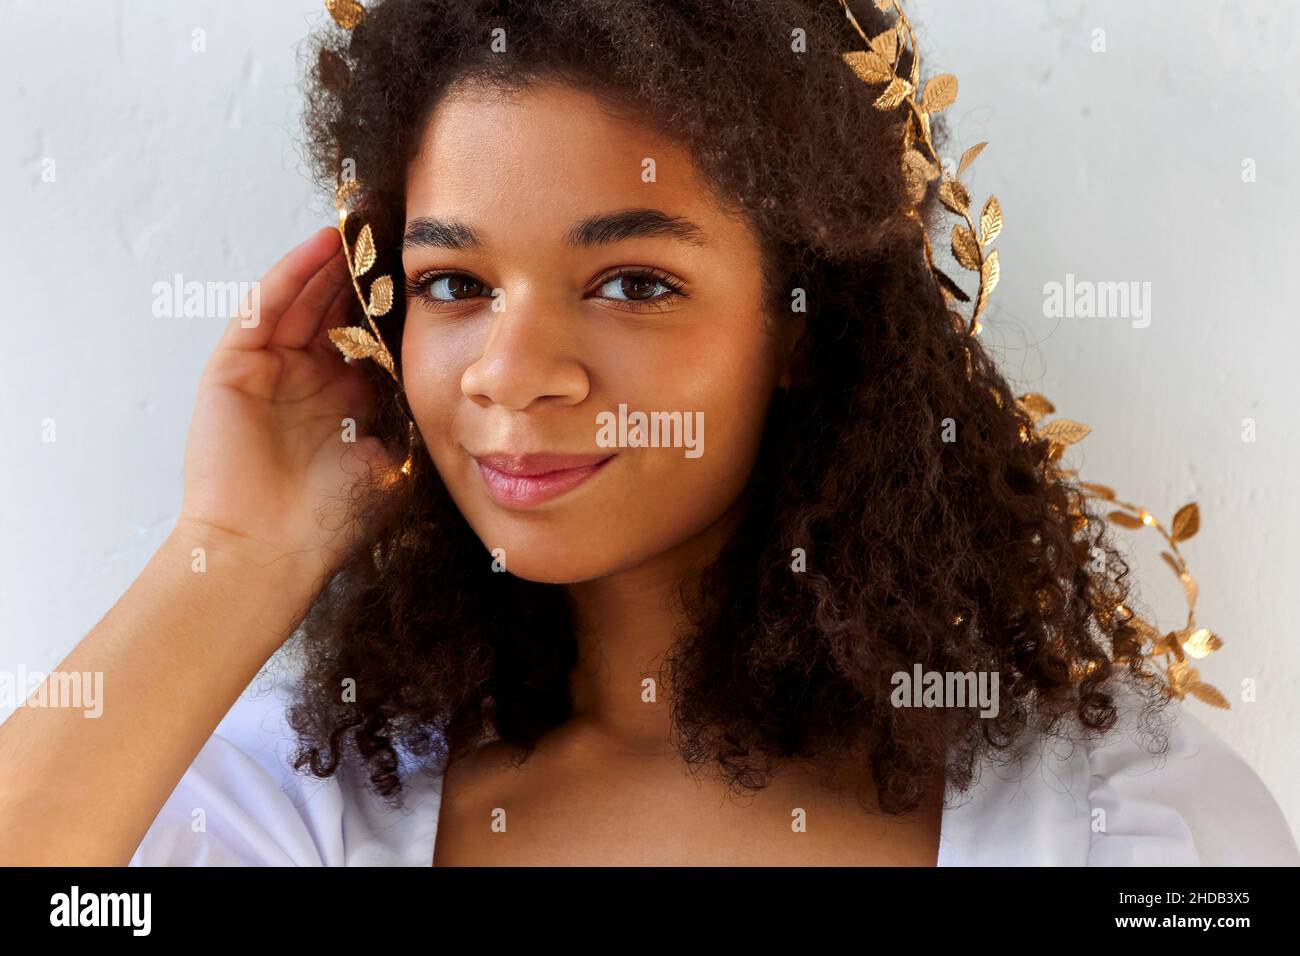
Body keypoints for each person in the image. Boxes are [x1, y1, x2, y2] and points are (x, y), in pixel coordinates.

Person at [2, 0, 1295, 867]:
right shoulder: (302, 801)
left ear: (799, 322)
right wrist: (231, 552)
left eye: (632, 283)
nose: (514, 373)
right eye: (456, 284)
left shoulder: (1126, 823)